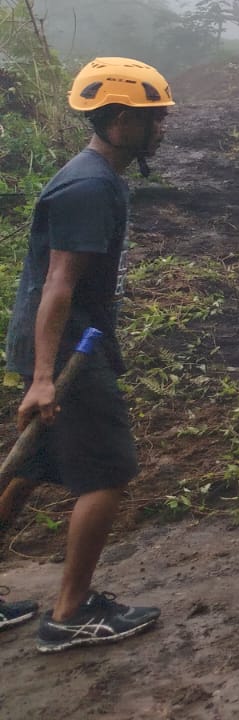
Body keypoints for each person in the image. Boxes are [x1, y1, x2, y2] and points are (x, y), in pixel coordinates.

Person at [0, 58, 173, 651]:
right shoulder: (90, 185)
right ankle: (69, 614)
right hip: (66, 351)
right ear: (122, 121)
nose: (164, 128)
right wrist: (45, 377)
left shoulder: (97, 175)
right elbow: (58, 284)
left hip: (65, 341)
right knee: (108, 471)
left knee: (26, 467)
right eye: (156, 118)